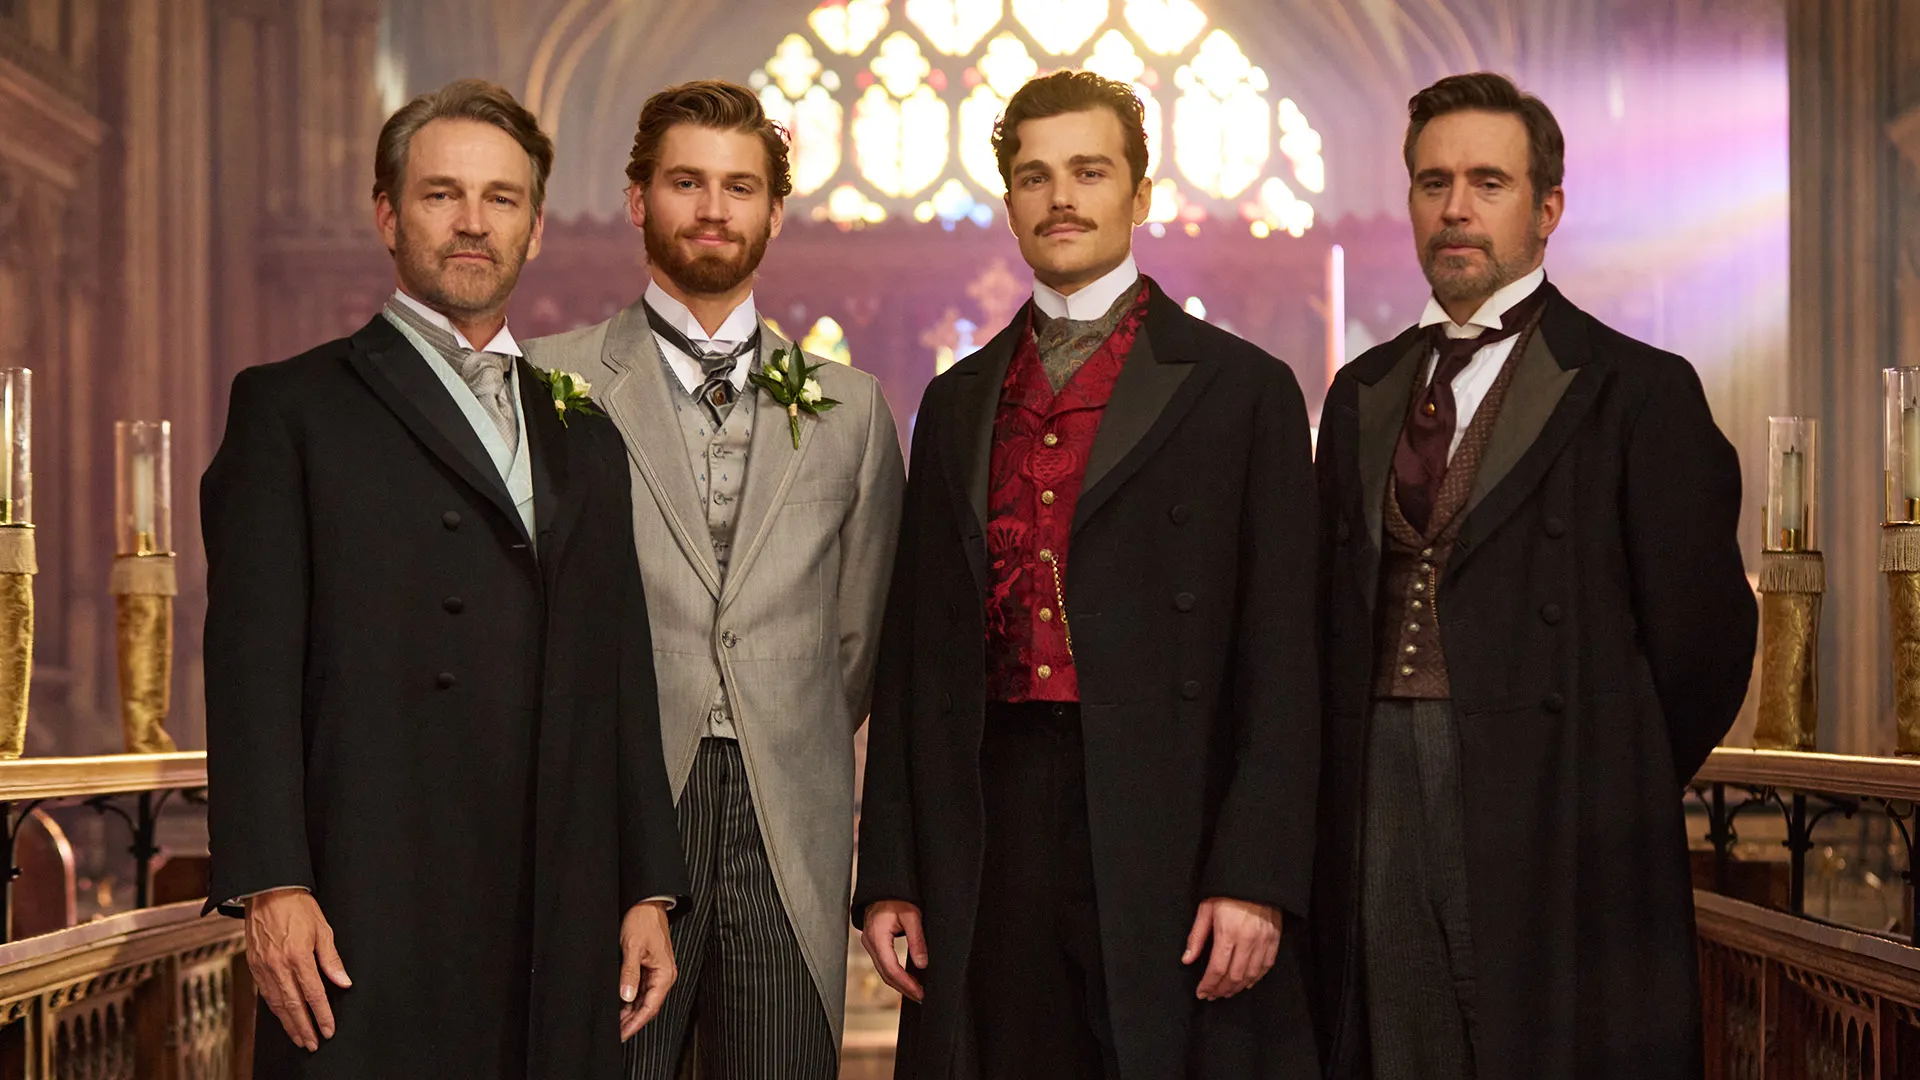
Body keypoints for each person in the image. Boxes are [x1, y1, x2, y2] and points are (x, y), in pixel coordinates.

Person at [202, 79, 687, 1080]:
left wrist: (647, 886)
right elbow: (249, 665)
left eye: (501, 199)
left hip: (554, 897)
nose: (474, 223)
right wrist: (270, 883)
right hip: (369, 889)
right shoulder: (291, 408)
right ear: (387, 214)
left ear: (536, 228)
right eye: (441, 195)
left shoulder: (584, 432)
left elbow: (619, 671)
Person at [854, 69, 1320, 1080]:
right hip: (991, 810)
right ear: (1010, 200)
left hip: (1172, 809)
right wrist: (890, 870)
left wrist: (1256, 872)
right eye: (1034, 176)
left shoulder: (1243, 391)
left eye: (1089, 171)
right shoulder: (959, 400)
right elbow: (915, 658)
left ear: (1140, 196)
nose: (1060, 197)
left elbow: (1286, 655)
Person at [1310, 72, 1756, 1080]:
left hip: (1561, 800)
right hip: (1376, 784)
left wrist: (1609, 770)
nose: (1455, 207)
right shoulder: (1363, 392)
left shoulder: (1636, 390)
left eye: (1487, 182)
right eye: (1433, 183)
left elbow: (1706, 642)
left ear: (1547, 209)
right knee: (1399, 1047)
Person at [527, 80, 905, 1080]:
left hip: (793, 808)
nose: (712, 208)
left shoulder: (852, 409)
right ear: (637, 198)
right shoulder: (548, 383)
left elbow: (862, 635)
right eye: (686, 181)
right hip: (617, 810)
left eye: (740, 187)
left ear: (775, 211)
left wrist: (778, 702)